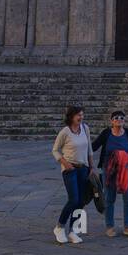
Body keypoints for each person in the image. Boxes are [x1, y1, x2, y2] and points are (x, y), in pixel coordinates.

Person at [93, 111, 128, 237]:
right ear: (111, 121)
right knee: (109, 199)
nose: (119, 120)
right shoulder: (106, 133)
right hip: (110, 172)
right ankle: (109, 226)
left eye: (122, 118)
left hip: (126, 170)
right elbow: (94, 146)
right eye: (116, 118)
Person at [51, 105, 93, 245]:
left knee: (82, 200)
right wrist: (64, 162)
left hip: (83, 168)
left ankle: (73, 231)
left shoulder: (85, 128)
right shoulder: (65, 132)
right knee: (73, 199)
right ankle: (59, 227)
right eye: (78, 115)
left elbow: (89, 149)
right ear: (71, 117)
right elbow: (55, 150)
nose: (81, 117)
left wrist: (91, 167)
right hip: (69, 169)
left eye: (82, 114)